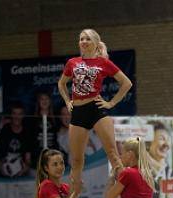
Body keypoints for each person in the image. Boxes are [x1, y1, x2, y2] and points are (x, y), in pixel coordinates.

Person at [57, 28, 133, 184]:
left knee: (113, 154)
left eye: (87, 39)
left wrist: (111, 103)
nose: (84, 41)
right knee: (77, 160)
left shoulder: (103, 62)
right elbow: (61, 83)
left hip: (96, 109)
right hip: (78, 112)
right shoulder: (72, 62)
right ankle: (74, 197)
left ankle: (125, 191)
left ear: (96, 43)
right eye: (81, 39)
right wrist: (67, 101)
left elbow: (126, 83)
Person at [0, 102, 35, 179]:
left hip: (21, 168)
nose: (17, 117)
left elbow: (28, 159)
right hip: (4, 168)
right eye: (14, 113)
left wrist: (24, 169)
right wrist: (1, 168)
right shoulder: (5, 130)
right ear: (11, 115)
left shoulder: (27, 132)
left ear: (23, 115)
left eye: (19, 114)